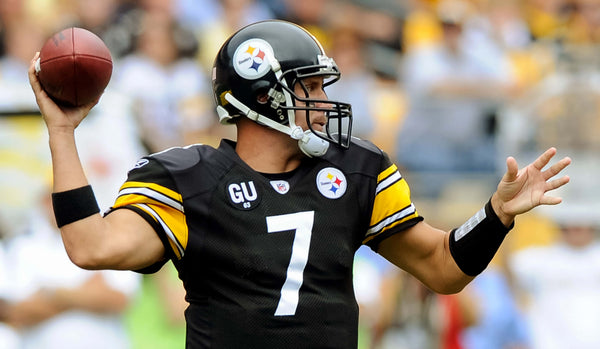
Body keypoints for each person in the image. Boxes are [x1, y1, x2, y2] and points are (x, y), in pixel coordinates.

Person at [28, 19, 571, 348]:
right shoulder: (188, 179)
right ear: (263, 97)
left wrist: (494, 216)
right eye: (308, 87)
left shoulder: (357, 170)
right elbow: (90, 246)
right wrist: (62, 133)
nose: (322, 100)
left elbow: (442, 269)